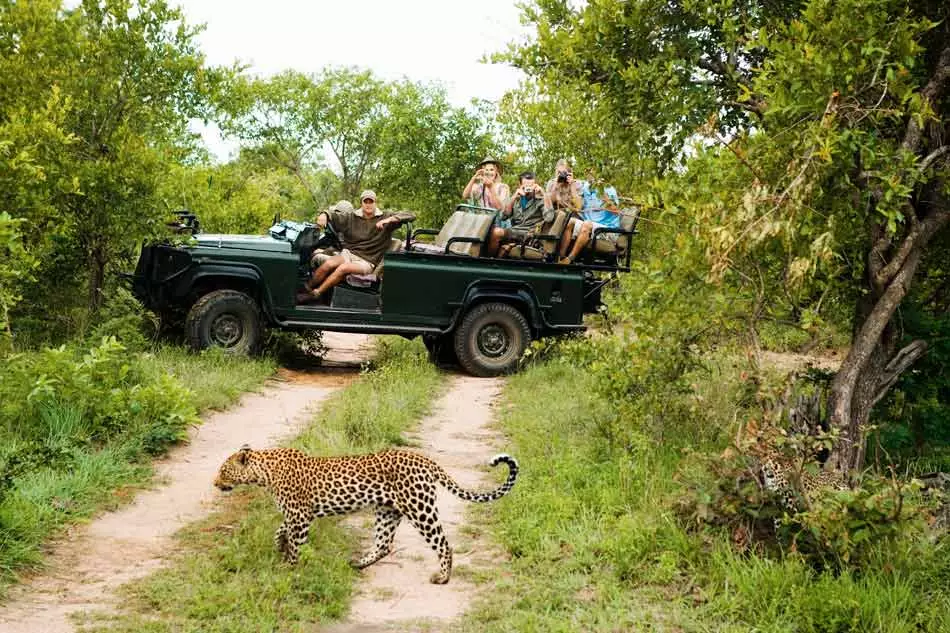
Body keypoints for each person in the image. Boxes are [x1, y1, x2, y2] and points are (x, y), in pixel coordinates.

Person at [297, 190, 415, 303]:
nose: (368, 205)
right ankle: (305, 288)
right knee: (328, 264)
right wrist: (324, 215)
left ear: (375, 203)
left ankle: (315, 294)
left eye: (371, 201)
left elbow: (410, 215)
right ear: (361, 203)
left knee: (343, 268)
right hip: (350, 254)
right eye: (365, 201)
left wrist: (389, 220)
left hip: (367, 261)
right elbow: (335, 216)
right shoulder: (352, 217)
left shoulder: (385, 217)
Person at [486, 171, 554, 257]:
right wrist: (514, 197)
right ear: (520, 185)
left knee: (497, 232)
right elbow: (503, 216)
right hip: (515, 231)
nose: (528, 188)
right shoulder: (516, 199)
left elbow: (549, 218)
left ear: (535, 185)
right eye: (526, 185)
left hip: (529, 234)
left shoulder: (540, 200)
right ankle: (490, 258)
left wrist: (543, 193)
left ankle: (489, 260)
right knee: (491, 231)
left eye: (531, 185)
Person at [558, 183, 623, 264]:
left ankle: (570, 259)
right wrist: (571, 185)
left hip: (607, 229)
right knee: (570, 222)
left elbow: (616, 211)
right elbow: (578, 207)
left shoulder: (609, 189)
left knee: (587, 224)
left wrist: (604, 196)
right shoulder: (585, 187)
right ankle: (561, 257)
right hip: (589, 225)